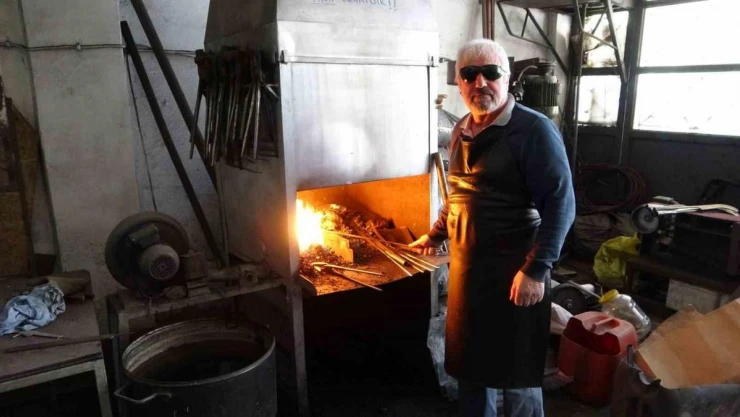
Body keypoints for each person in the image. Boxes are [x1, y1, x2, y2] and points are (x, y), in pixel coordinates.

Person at [410, 39, 575, 417]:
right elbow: (458, 195)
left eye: (490, 73)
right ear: (458, 81)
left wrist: (537, 269)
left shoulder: (534, 130)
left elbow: (561, 204)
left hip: (517, 271)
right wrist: (436, 234)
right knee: (472, 366)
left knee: (517, 371)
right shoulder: (461, 130)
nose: (480, 82)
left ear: (508, 77)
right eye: (469, 74)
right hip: (469, 274)